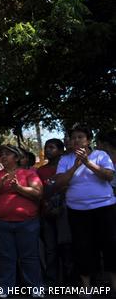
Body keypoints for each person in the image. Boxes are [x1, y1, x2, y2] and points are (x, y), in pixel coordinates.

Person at [54, 124, 116, 294]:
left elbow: (108, 176)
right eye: (73, 137)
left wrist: (87, 163)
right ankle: (86, 288)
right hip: (77, 211)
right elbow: (59, 183)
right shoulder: (65, 160)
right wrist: (75, 165)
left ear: (88, 140)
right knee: (82, 248)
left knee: (110, 246)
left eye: (80, 137)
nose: (76, 140)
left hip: (105, 207)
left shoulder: (101, 155)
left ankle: (114, 285)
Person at [0, 144, 44, 298]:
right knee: (5, 257)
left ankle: (35, 287)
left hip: (27, 222)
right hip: (2, 223)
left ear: (16, 158)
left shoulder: (28, 173)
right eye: (1, 154)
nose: (3, 156)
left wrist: (19, 188)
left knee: (29, 256)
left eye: (7, 154)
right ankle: (5, 288)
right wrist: (0, 183)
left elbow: (38, 193)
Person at [36, 138, 72, 285]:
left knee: (67, 247)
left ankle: (70, 280)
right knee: (50, 249)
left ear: (61, 150)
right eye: (46, 147)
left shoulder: (67, 167)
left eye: (52, 147)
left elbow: (68, 187)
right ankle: (52, 280)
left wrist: (60, 207)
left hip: (65, 211)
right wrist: (46, 206)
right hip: (47, 213)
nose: (48, 150)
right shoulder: (40, 170)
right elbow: (40, 192)